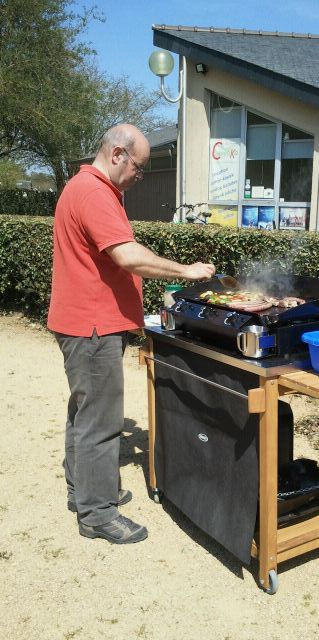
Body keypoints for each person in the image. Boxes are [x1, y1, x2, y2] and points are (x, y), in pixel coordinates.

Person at [48, 123, 215, 544]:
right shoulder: (93, 193)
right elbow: (127, 255)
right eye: (138, 168)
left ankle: (83, 491)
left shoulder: (87, 189)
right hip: (92, 327)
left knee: (84, 413)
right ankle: (97, 514)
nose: (139, 176)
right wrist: (185, 270)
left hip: (85, 323)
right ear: (118, 154)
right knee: (100, 421)